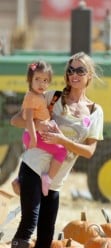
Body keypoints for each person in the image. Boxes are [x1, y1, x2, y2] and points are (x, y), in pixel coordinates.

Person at [7, 52, 104, 248]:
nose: (74, 75)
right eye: (71, 70)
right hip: (33, 166)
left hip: (56, 179)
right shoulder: (52, 98)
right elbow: (17, 120)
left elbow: (89, 152)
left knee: (47, 230)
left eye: (80, 70)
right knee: (29, 221)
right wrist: (39, 125)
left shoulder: (94, 112)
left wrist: (63, 141)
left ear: (89, 75)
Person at [12, 60, 68, 196]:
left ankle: (20, 180)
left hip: (36, 134)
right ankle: (47, 178)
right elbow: (29, 119)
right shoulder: (31, 97)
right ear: (30, 80)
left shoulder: (40, 96)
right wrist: (33, 137)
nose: (41, 83)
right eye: (37, 79)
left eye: (45, 80)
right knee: (62, 151)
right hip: (34, 135)